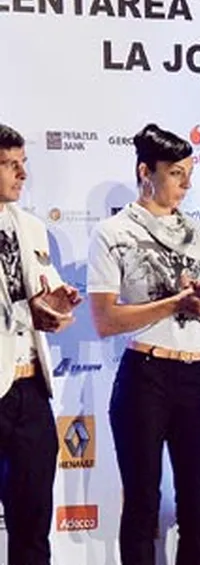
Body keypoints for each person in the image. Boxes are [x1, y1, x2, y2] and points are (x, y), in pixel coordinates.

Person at [88, 123, 200, 565]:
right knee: (142, 503)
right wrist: (174, 303)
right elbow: (105, 319)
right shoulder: (113, 232)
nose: (186, 184)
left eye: (189, 173)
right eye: (176, 173)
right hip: (146, 377)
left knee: (198, 506)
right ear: (145, 172)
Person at [0, 124, 81, 565]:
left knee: (33, 526)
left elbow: (39, 300)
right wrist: (27, 310)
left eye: (23, 163)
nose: (22, 174)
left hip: (31, 388)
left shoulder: (30, 226)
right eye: (11, 165)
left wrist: (56, 304)